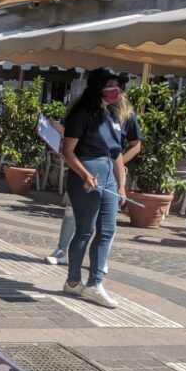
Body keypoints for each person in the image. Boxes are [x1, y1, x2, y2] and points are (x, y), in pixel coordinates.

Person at [45, 80, 143, 266]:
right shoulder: (88, 112)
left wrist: (118, 162)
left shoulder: (127, 117)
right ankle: (62, 250)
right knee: (73, 210)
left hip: (112, 172)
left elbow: (136, 145)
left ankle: (100, 261)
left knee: (107, 220)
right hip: (84, 166)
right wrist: (52, 127)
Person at [60, 67, 128, 308]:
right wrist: (85, 174)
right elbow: (67, 151)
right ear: (97, 87)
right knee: (85, 230)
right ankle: (73, 281)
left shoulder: (111, 115)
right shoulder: (81, 113)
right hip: (87, 172)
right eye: (109, 85)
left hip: (108, 175)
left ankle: (95, 283)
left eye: (117, 85)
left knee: (107, 230)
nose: (114, 90)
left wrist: (122, 186)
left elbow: (117, 153)